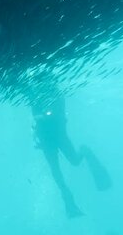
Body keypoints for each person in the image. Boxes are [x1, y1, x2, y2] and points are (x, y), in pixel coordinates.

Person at [30, 86, 112, 218]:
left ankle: (85, 151)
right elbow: (35, 119)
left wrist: (45, 116)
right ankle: (70, 204)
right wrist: (36, 136)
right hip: (46, 143)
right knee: (56, 174)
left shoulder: (56, 95)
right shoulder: (35, 99)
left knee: (74, 161)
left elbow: (57, 113)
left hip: (60, 137)